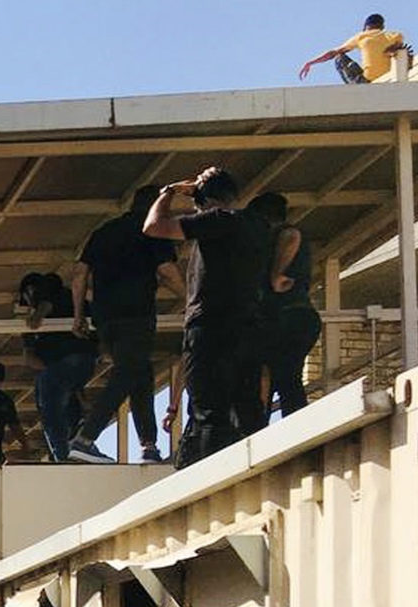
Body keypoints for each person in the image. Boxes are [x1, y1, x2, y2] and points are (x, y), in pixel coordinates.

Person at [145, 167, 271, 465]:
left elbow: (153, 227)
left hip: (210, 325)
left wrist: (169, 191)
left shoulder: (217, 221)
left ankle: (210, 474)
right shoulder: (257, 225)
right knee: (247, 406)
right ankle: (257, 467)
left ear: (203, 201)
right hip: (249, 324)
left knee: (208, 411)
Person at [68, 188, 183, 464]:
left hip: (106, 317)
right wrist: (192, 298)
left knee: (139, 372)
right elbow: (167, 272)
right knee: (127, 372)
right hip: (137, 313)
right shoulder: (154, 230)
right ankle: (85, 438)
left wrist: (78, 315)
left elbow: (79, 275)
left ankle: (149, 446)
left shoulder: (105, 231)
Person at [249, 191, 322, 421]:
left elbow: (291, 236)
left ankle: (291, 425)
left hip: (290, 317)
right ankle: (275, 424)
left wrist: (277, 275)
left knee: (285, 376)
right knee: (281, 376)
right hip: (288, 319)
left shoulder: (282, 232)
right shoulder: (272, 240)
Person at [19, 271, 100, 462]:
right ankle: (79, 445)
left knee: (49, 398)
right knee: (61, 397)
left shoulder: (51, 290)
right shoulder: (70, 301)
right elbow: (29, 357)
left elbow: (47, 300)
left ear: (29, 291)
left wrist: (36, 317)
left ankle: (63, 454)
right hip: (80, 362)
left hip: (72, 359)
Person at [300, 14, 407, 82]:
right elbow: (398, 47)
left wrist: (311, 63)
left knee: (339, 57)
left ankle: (356, 88)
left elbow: (333, 53)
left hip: (367, 80)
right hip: (390, 77)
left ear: (365, 27)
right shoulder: (396, 35)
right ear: (382, 27)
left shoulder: (361, 36)